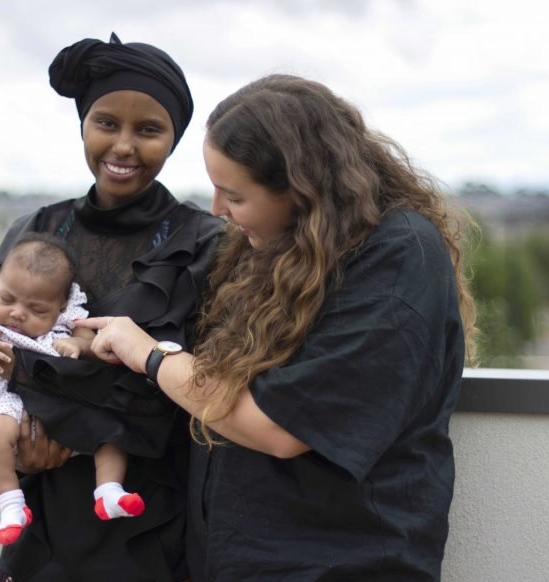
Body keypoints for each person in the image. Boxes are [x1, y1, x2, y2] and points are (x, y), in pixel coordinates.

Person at [77, 74, 478, 581]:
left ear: (301, 189)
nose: (218, 210)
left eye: (233, 195)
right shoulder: (279, 246)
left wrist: (149, 355)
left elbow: (279, 426)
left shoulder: (397, 258)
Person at [0, 33, 223, 581]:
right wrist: (23, 448)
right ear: (83, 124)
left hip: (149, 516)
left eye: (148, 129)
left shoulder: (205, 243)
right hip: (42, 517)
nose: (124, 146)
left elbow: (212, 382)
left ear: (174, 139)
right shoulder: (34, 231)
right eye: (106, 123)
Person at [0, 233, 146, 546]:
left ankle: (109, 491)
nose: (18, 313)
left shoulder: (69, 316)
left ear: (60, 305)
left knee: (112, 432)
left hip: (65, 404)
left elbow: (94, 346)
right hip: (9, 399)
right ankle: (11, 505)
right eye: (7, 300)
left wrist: (78, 344)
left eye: (36, 310)